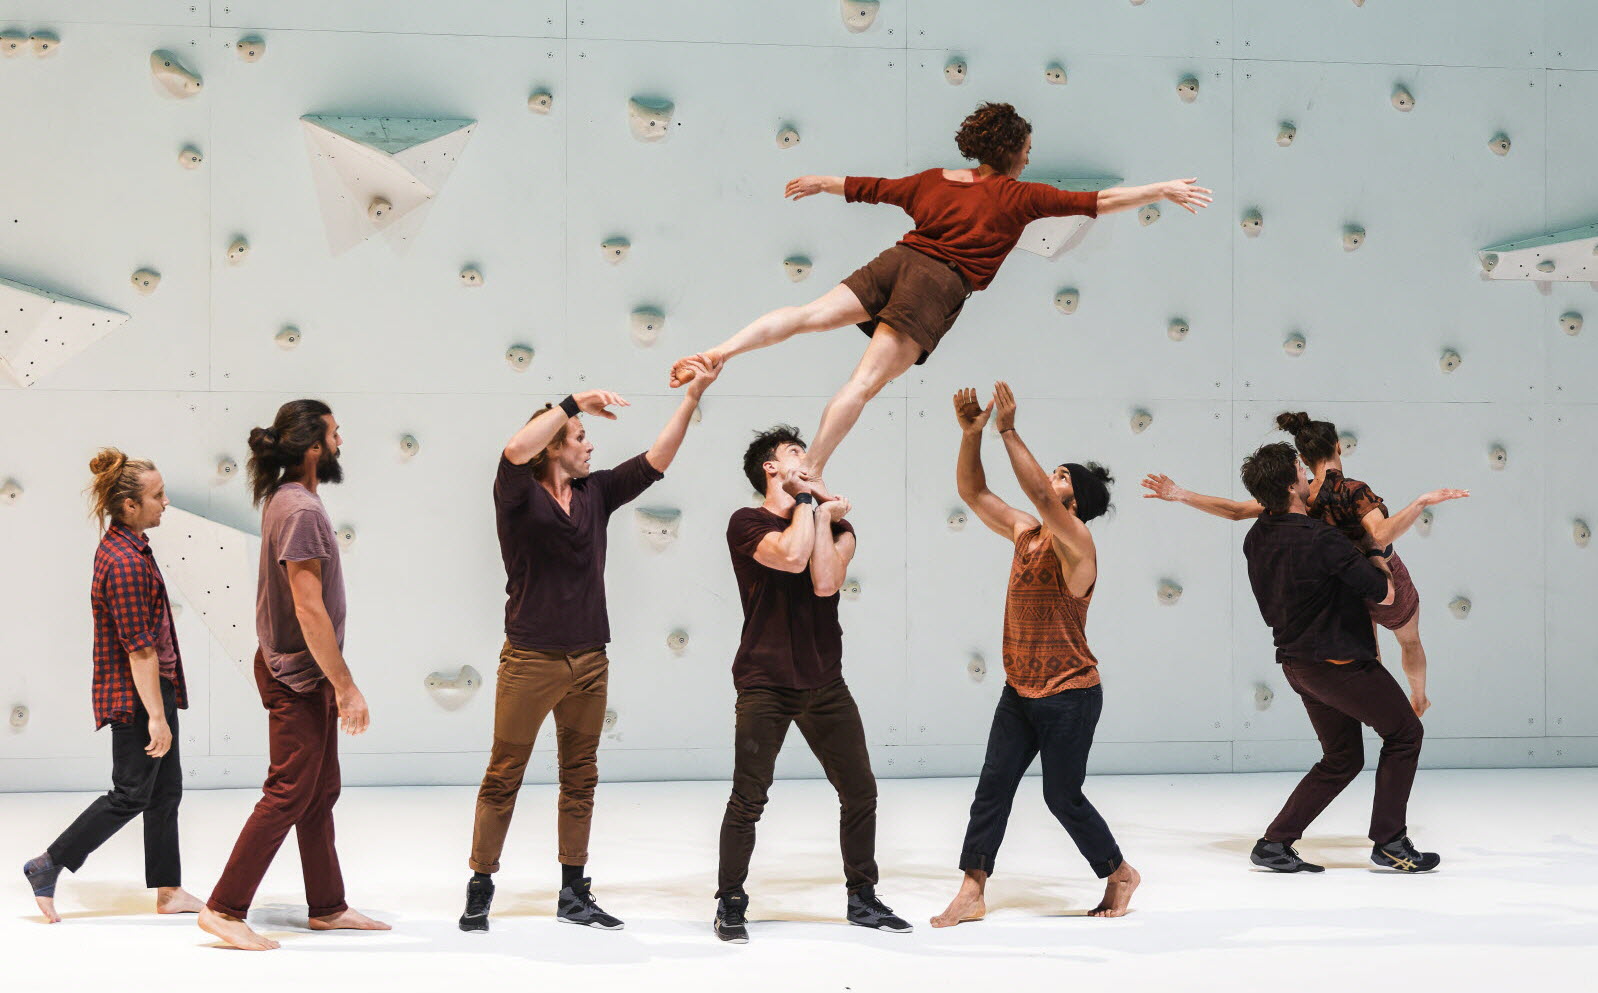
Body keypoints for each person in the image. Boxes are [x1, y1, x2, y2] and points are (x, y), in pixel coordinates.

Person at [669, 101, 1212, 494]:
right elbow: (1097, 200)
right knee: (863, 382)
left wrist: (823, 181)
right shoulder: (1018, 195)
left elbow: (874, 187)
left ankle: (721, 351)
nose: (1028, 158)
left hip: (897, 259)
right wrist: (1160, 189)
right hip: (936, 284)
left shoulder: (935, 180)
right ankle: (810, 467)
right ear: (1013, 151)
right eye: (1026, 149)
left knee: (807, 316)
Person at [459, 358, 721, 933]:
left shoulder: (596, 491)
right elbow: (512, 448)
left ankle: (574, 892)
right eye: (579, 438)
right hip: (530, 658)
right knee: (504, 773)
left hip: (589, 662)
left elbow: (657, 460)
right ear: (554, 447)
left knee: (580, 775)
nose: (588, 444)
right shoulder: (517, 495)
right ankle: (481, 885)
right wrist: (573, 401)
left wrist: (691, 399)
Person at [931, 384, 1138, 928]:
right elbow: (974, 493)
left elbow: (1045, 501)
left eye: (1063, 476)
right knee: (992, 788)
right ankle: (972, 890)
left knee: (1061, 797)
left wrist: (1007, 429)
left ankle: (1119, 872)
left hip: (1070, 695)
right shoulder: (1027, 533)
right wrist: (972, 435)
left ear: (1078, 501)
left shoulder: (1080, 546)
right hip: (1019, 690)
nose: (1052, 478)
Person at [198, 400, 389, 950]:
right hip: (297, 676)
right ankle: (222, 908)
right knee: (288, 791)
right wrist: (347, 688)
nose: (340, 443)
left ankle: (327, 906)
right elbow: (309, 608)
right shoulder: (301, 510)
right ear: (312, 447)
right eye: (334, 434)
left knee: (319, 789)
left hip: (303, 673)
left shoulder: (289, 499)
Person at [712, 425, 910, 943]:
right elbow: (791, 556)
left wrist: (823, 514)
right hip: (764, 682)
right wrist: (807, 499)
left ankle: (861, 897)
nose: (808, 459)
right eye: (795, 453)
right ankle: (730, 901)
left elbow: (823, 580)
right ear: (769, 469)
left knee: (860, 789)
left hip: (825, 682)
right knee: (748, 797)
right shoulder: (746, 522)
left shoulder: (839, 528)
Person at [1141, 410, 1468, 718]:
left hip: (1340, 588)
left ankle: (1379, 709)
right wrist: (1420, 503)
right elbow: (1380, 535)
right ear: (1338, 446)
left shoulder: (1299, 494)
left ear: (1303, 460)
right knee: (1409, 640)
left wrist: (1179, 493)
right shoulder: (1353, 491)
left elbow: (1235, 511)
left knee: (1369, 655)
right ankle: (1419, 698)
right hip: (1382, 576)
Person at [1235, 442, 1440, 874]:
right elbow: (1385, 592)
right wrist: (1372, 549)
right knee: (1405, 734)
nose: (1310, 477)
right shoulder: (1323, 539)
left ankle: (1274, 844)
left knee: (1343, 758)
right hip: (1341, 665)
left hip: (1298, 666)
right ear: (1292, 485)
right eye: (1301, 472)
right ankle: (1390, 842)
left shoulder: (1255, 538)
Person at [22, 450, 203, 923]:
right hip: (137, 697)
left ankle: (169, 890)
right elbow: (139, 649)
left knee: (165, 792)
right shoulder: (124, 562)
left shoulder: (133, 547)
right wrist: (157, 718)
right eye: (157, 495)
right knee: (131, 793)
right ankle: (48, 864)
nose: (166, 502)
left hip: (151, 690)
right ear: (128, 506)